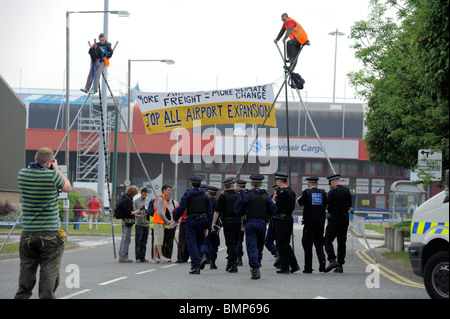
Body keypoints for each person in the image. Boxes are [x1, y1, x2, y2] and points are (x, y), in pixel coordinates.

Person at [15, 147, 72, 299]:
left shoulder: (22, 174)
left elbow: (33, 169)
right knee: (49, 269)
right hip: (49, 231)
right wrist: (56, 169)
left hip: (27, 232)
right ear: (49, 162)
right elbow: (68, 187)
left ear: (35, 159)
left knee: (27, 268)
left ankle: (22, 296)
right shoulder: (52, 176)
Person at [235, 174, 277, 279]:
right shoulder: (266, 196)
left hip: (250, 223)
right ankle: (257, 263)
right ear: (261, 184)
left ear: (251, 183)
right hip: (262, 223)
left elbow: (237, 209)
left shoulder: (247, 195)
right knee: (259, 246)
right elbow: (273, 210)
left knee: (252, 245)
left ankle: (255, 268)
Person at [173, 175, 213, 274]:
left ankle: (195, 265)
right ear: (200, 184)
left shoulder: (188, 195)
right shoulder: (205, 196)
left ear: (191, 184)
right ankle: (199, 259)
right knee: (199, 243)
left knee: (192, 243)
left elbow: (181, 207)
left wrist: (175, 218)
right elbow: (210, 212)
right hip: (202, 221)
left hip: (191, 220)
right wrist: (208, 226)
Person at [297, 177, 328, 273]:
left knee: (307, 244)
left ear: (308, 184)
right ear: (317, 184)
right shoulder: (323, 193)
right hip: (320, 222)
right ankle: (322, 260)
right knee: (319, 243)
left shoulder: (306, 193)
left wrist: (299, 198)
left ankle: (308, 268)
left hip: (309, 222)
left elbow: (300, 203)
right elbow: (326, 205)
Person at [272, 173, 300, 274]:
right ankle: (294, 265)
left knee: (281, 243)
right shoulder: (291, 191)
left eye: (276, 181)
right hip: (288, 218)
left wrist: (274, 200)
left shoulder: (282, 192)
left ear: (279, 180)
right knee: (285, 243)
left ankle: (285, 267)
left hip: (281, 219)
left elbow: (276, 207)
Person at [324, 174, 353, 273]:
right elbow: (349, 207)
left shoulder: (332, 192)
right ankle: (340, 265)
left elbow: (326, 206)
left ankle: (332, 259)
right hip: (345, 218)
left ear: (332, 182)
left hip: (334, 218)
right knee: (341, 242)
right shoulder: (347, 191)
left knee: (327, 240)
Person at [212, 177, 241, 272]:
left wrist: (213, 223)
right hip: (238, 221)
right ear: (233, 185)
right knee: (235, 242)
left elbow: (217, 211)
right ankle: (230, 262)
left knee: (230, 243)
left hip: (227, 222)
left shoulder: (223, 196)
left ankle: (233, 264)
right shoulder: (238, 195)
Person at [117, 185, 141, 263]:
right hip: (127, 221)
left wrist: (137, 214)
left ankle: (121, 255)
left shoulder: (124, 198)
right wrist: (137, 211)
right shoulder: (128, 200)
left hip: (124, 220)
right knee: (126, 239)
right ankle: (124, 257)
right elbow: (128, 212)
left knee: (124, 238)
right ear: (133, 193)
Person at [152, 185, 173, 263]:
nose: (169, 192)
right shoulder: (161, 199)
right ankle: (161, 257)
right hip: (159, 222)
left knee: (156, 240)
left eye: (170, 190)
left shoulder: (161, 198)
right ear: (164, 190)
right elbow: (161, 212)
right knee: (159, 240)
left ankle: (155, 257)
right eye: (168, 190)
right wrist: (167, 221)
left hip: (158, 222)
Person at [133, 188, 150, 262]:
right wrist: (139, 211)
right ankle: (138, 257)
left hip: (146, 223)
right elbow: (133, 212)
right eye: (143, 194)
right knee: (138, 241)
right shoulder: (136, 201)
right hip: (139, 223)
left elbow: (150, 211)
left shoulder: (148, 201)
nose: (144, 196)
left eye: (145, 195)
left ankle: (143, 257)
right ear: (140, 193)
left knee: (144, 242)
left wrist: (147, 211)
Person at [162, 187, 179, 261]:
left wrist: (177, 221)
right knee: (163, 241)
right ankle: (162, 256)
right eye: (167, 195)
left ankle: (169, 256)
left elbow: (178, 213)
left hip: (172, 225)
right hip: (163, 225)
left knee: (170, 242)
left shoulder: (174, 203)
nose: (168, 196)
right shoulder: (162, 202)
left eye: (170, 195)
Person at [266, 185, 279, 268]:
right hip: (272, 222)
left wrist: (274, 201)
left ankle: (279, 259)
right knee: (267, 241)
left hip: (280, 222)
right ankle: (277, 252)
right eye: (275, 190)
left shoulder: (283, 197)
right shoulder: (270, 198)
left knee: (279, 242)